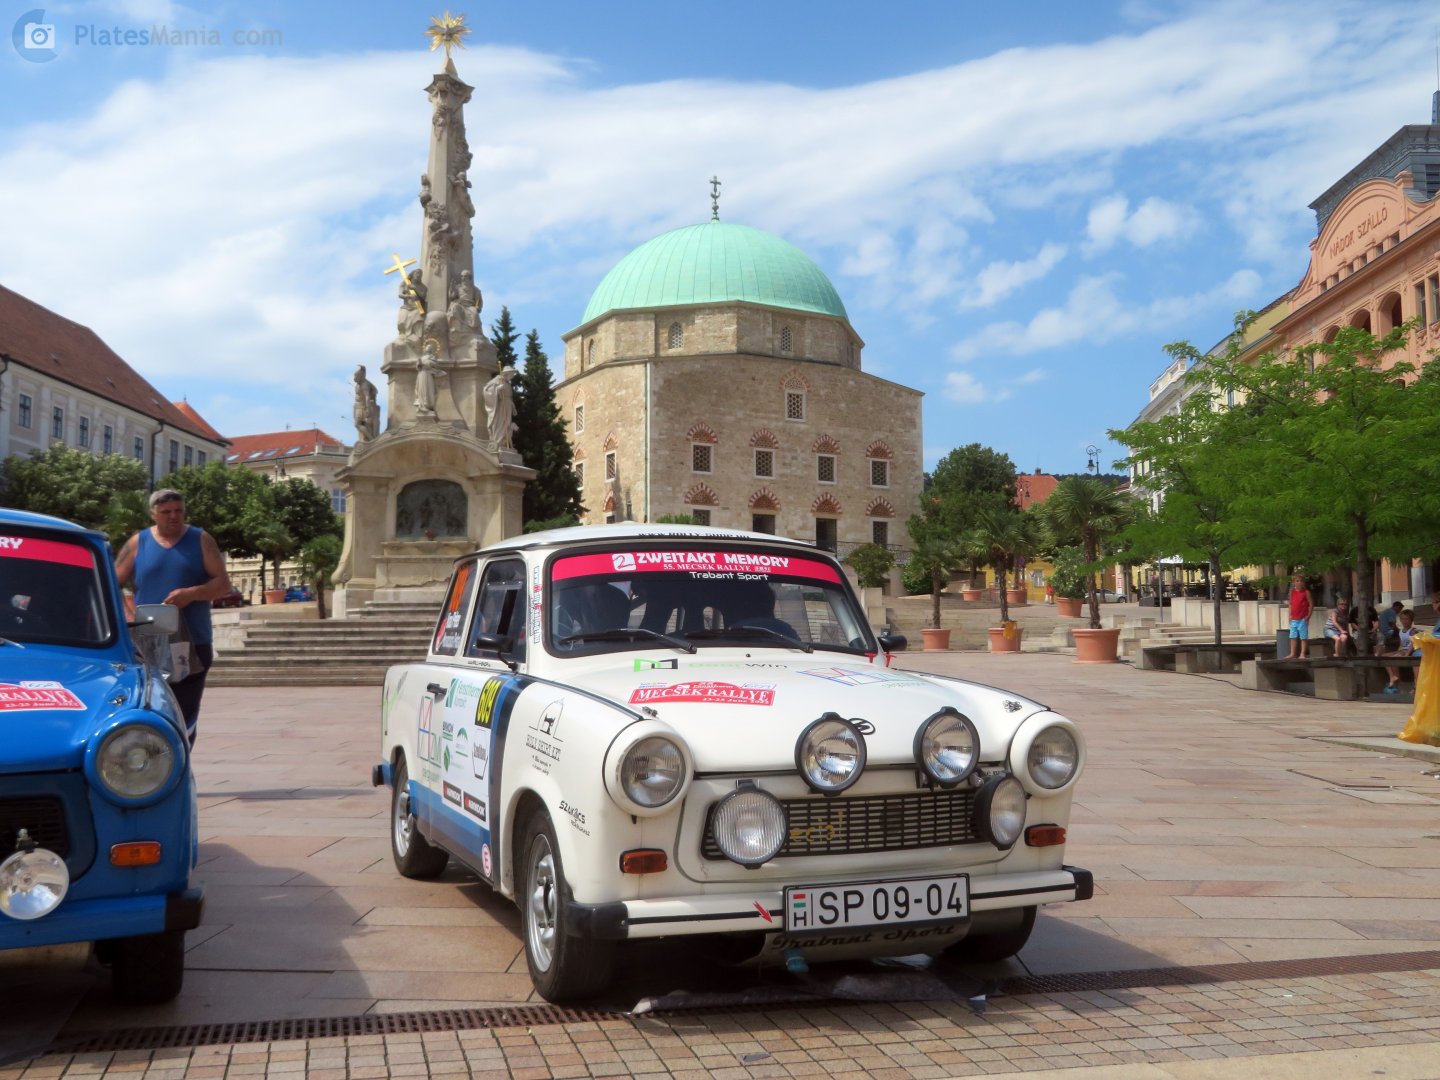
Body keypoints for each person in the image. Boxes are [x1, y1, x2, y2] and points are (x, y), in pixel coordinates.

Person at [114, 489, 231, 746]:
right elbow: (112, 582)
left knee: (185, 709)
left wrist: (192, 593)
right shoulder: (138, 542)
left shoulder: (201, 539)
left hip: (192, 641)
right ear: (153, 514)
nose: (174, 516)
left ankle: (180, 764)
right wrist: (129, 614)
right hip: (148, 642)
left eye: (178, 510)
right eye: (166, 512)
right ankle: (151, 767)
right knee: (150, 706)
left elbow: (223, 584)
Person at [1381, 608, 1417, 694]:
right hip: (1402, 650)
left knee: (1394, 658)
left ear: (1411, 620)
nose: (1404, 621)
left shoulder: (1412, 631)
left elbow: (1413, 644)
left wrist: (1407, 654)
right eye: (1402, 619)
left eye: (1407, 619)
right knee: (1384, 656)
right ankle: (1392, 676)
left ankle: (1397, 677)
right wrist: (1397, 651)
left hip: (1409, 651)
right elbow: (1401, 644)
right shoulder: (1401, 631)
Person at [483, 365, 517, 448]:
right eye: (511, 374)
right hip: (501, 405)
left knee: (507, 423)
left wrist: (513, 407)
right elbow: (487, 390)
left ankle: (505, 442)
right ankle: (499, 442)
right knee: (501, 423)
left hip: (508, 405)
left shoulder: (507, 383)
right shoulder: (499, 379)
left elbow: (509, 396)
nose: (512, 376)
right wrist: (498, 389)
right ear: (507, 373)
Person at [1287, 573, 1312, 659]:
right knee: (1293, 636)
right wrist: (1289, 615)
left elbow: (1311, 605)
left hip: (1302, 618)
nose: (1299, 582)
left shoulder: (1306, 592)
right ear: (1294, 582)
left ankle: (1302, 654)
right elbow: (1290, 604)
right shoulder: (1292, 592)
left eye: (1301, 581)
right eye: (1297, 581)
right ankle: (1292, 653)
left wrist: (1308, 616)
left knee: (1303, 636)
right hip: (1294, 618)